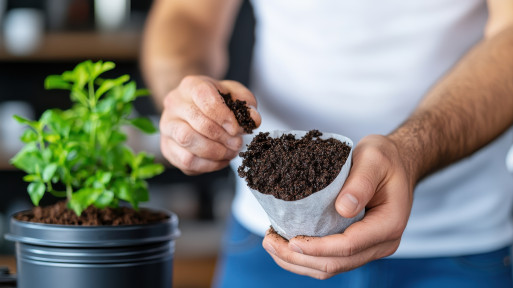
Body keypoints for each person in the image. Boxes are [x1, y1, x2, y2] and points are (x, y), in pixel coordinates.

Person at [141, 0, 513, 287]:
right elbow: (187, 15)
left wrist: (412, 150)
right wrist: (190, 98)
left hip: (458, 240)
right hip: (273, 233)